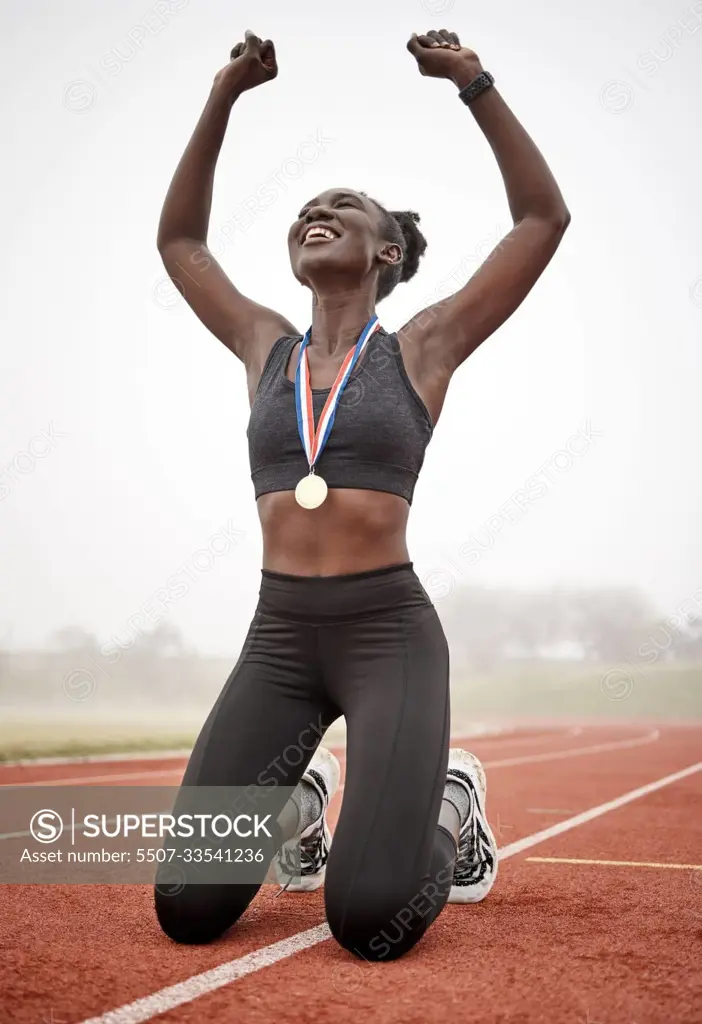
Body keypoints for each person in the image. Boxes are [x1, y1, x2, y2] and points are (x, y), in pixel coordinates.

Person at [154, 26, 570, 962]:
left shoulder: (421, 347)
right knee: (185, 904)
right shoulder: (265, 346)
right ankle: (300, 803)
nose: (319, 210)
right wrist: (222, 95)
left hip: (388, 634)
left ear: (386, 252)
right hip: (278, 638)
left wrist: (475, 83)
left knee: (370, 920)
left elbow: (542, 220)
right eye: (307, 206)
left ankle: (449, 812)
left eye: (345, 206)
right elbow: (180, 239)